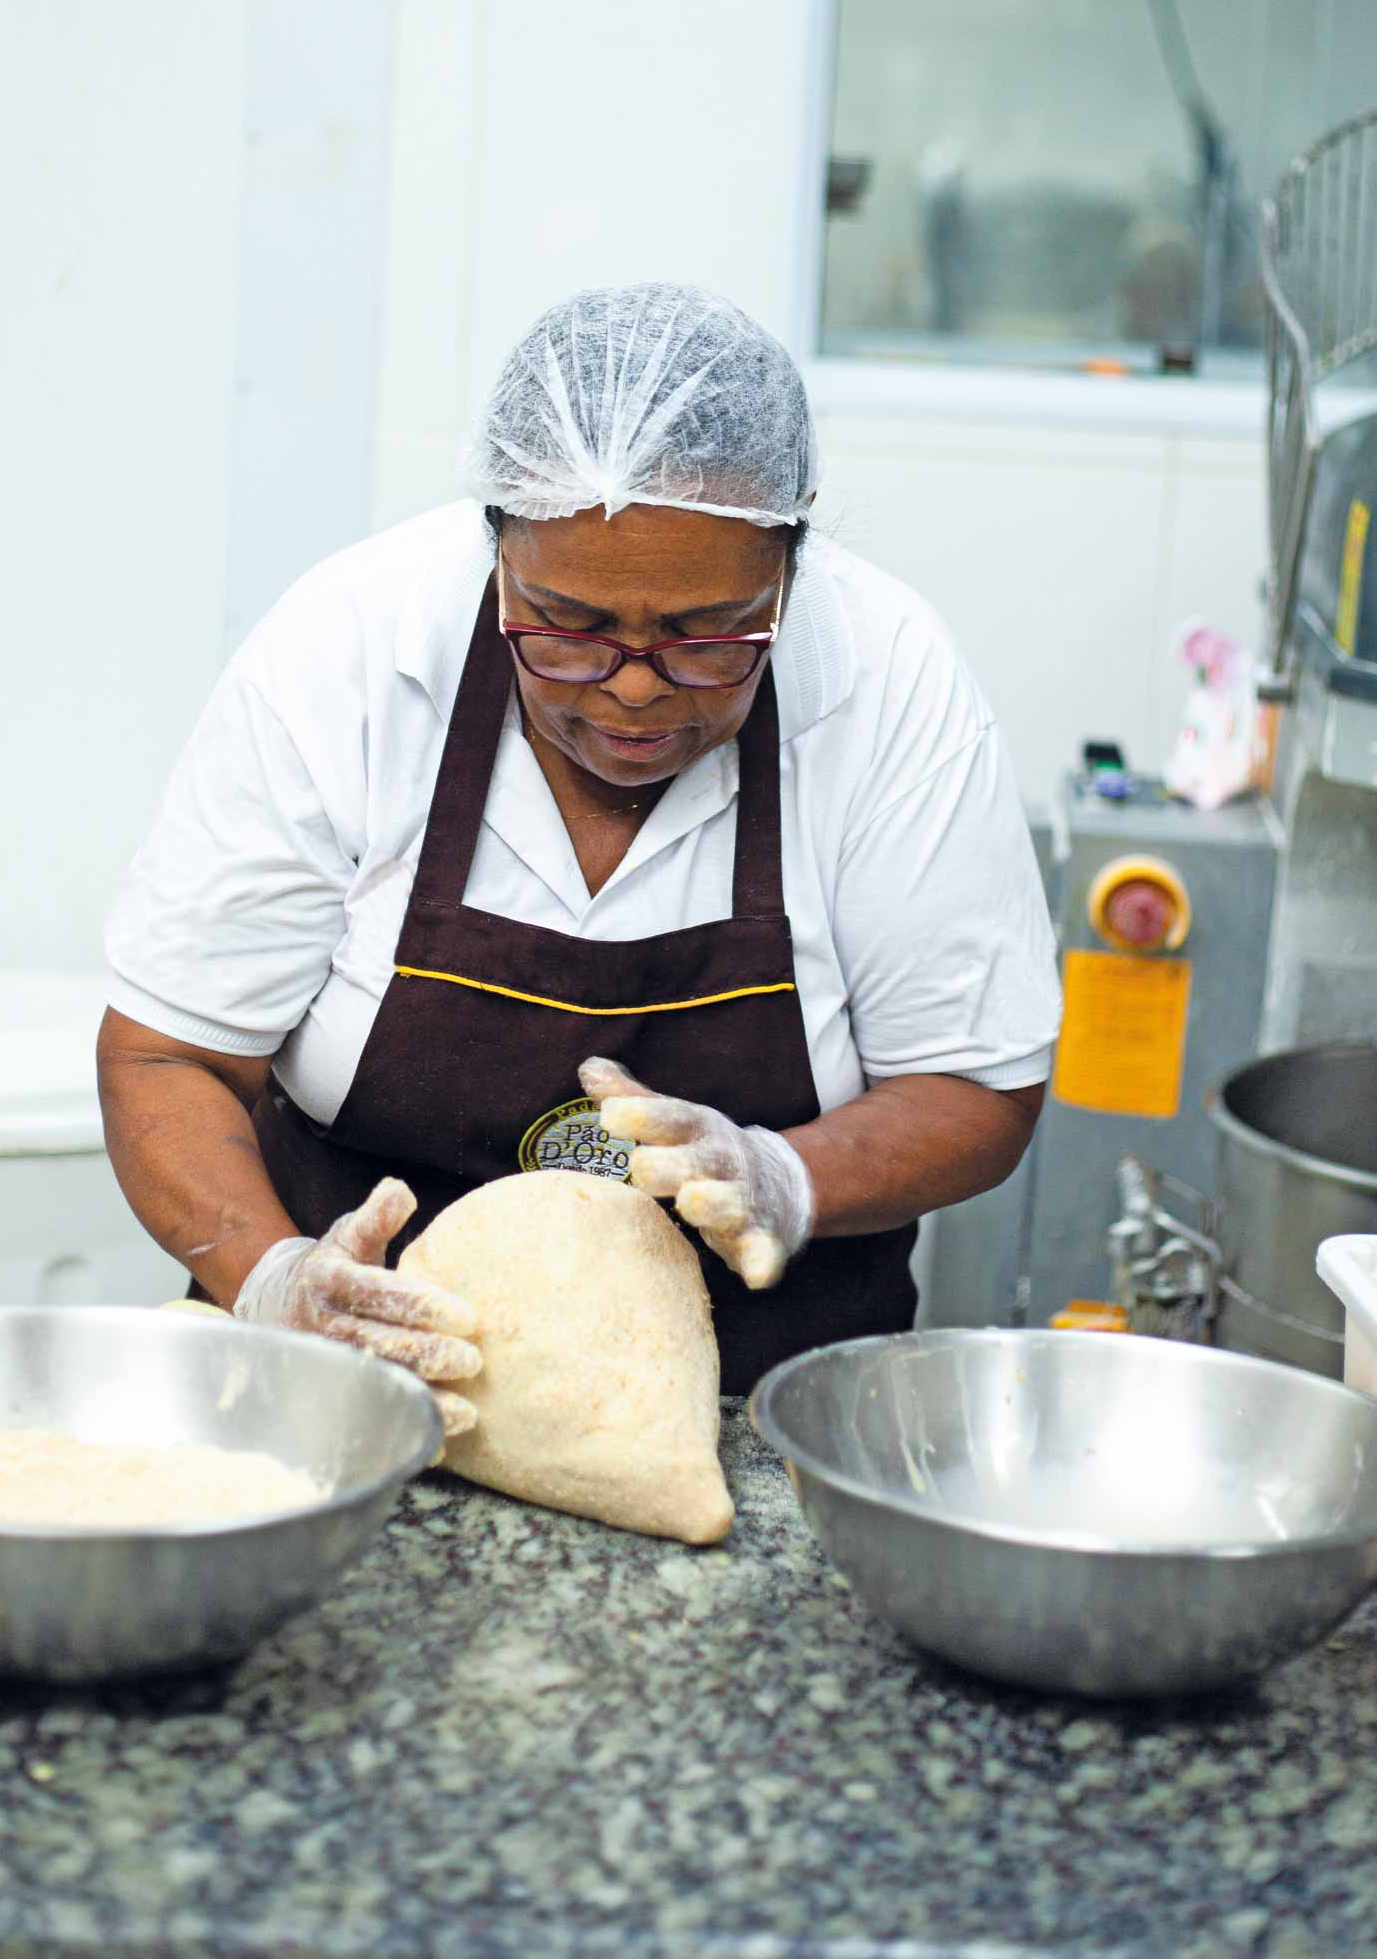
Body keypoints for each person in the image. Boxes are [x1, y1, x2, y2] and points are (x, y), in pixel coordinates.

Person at [99, 283, 1060, 1428]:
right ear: (496, 548)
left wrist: (785, 1176)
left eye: (710, 637)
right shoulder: (349, 652)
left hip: (752, 1406)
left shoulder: (881, 678)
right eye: (568, 629)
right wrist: (275, 1283)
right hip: (356, 1394)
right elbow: (170, 1057)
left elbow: (973, 1085)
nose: (639, 685)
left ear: (789, 572)